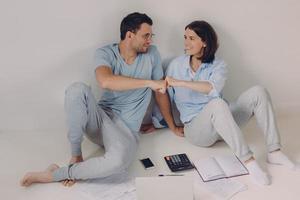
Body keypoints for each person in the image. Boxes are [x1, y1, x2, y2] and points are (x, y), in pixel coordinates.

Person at [20, 12, 182, 187]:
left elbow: (160, 92)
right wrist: (149, 82)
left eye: (151, 35)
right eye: (146, 35)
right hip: (101, 118)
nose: (150, 40)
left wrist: (172, 126)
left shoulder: (152, 54)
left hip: (126, 131)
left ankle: (55, 174)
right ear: (129, 35)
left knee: (118, 162)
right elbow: (105, 81)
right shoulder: (105, 53)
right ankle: (76, 156)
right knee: (77, 89)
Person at [164, 20, 297, 186]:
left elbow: (211, 88)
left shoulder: (219, 65)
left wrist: (181, 82)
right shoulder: (175, 65)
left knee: (258, 91)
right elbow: (162, 95)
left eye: (191, 38)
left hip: (224, 122)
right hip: (197, 130)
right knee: (218, 104)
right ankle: (249, 161)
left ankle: (274, 151)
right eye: (185, 37)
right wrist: (164, 123)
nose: (186, 42)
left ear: (204, 42)